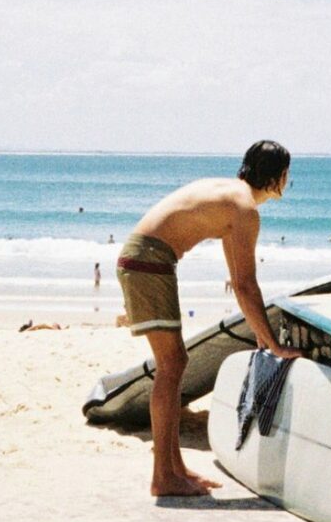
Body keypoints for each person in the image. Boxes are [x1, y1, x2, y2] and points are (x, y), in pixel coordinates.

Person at [116, 139, 302, 498]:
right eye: (287, 174)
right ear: (279, 176)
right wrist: (275, 345)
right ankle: (163, 476)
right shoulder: (245, 208)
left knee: (175, 363)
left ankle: (175, 469)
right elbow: (246, 286)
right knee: (171, 365)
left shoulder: (231, 196)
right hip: (148, 263)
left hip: (145, 259)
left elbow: (238, 280)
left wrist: (263, 335)